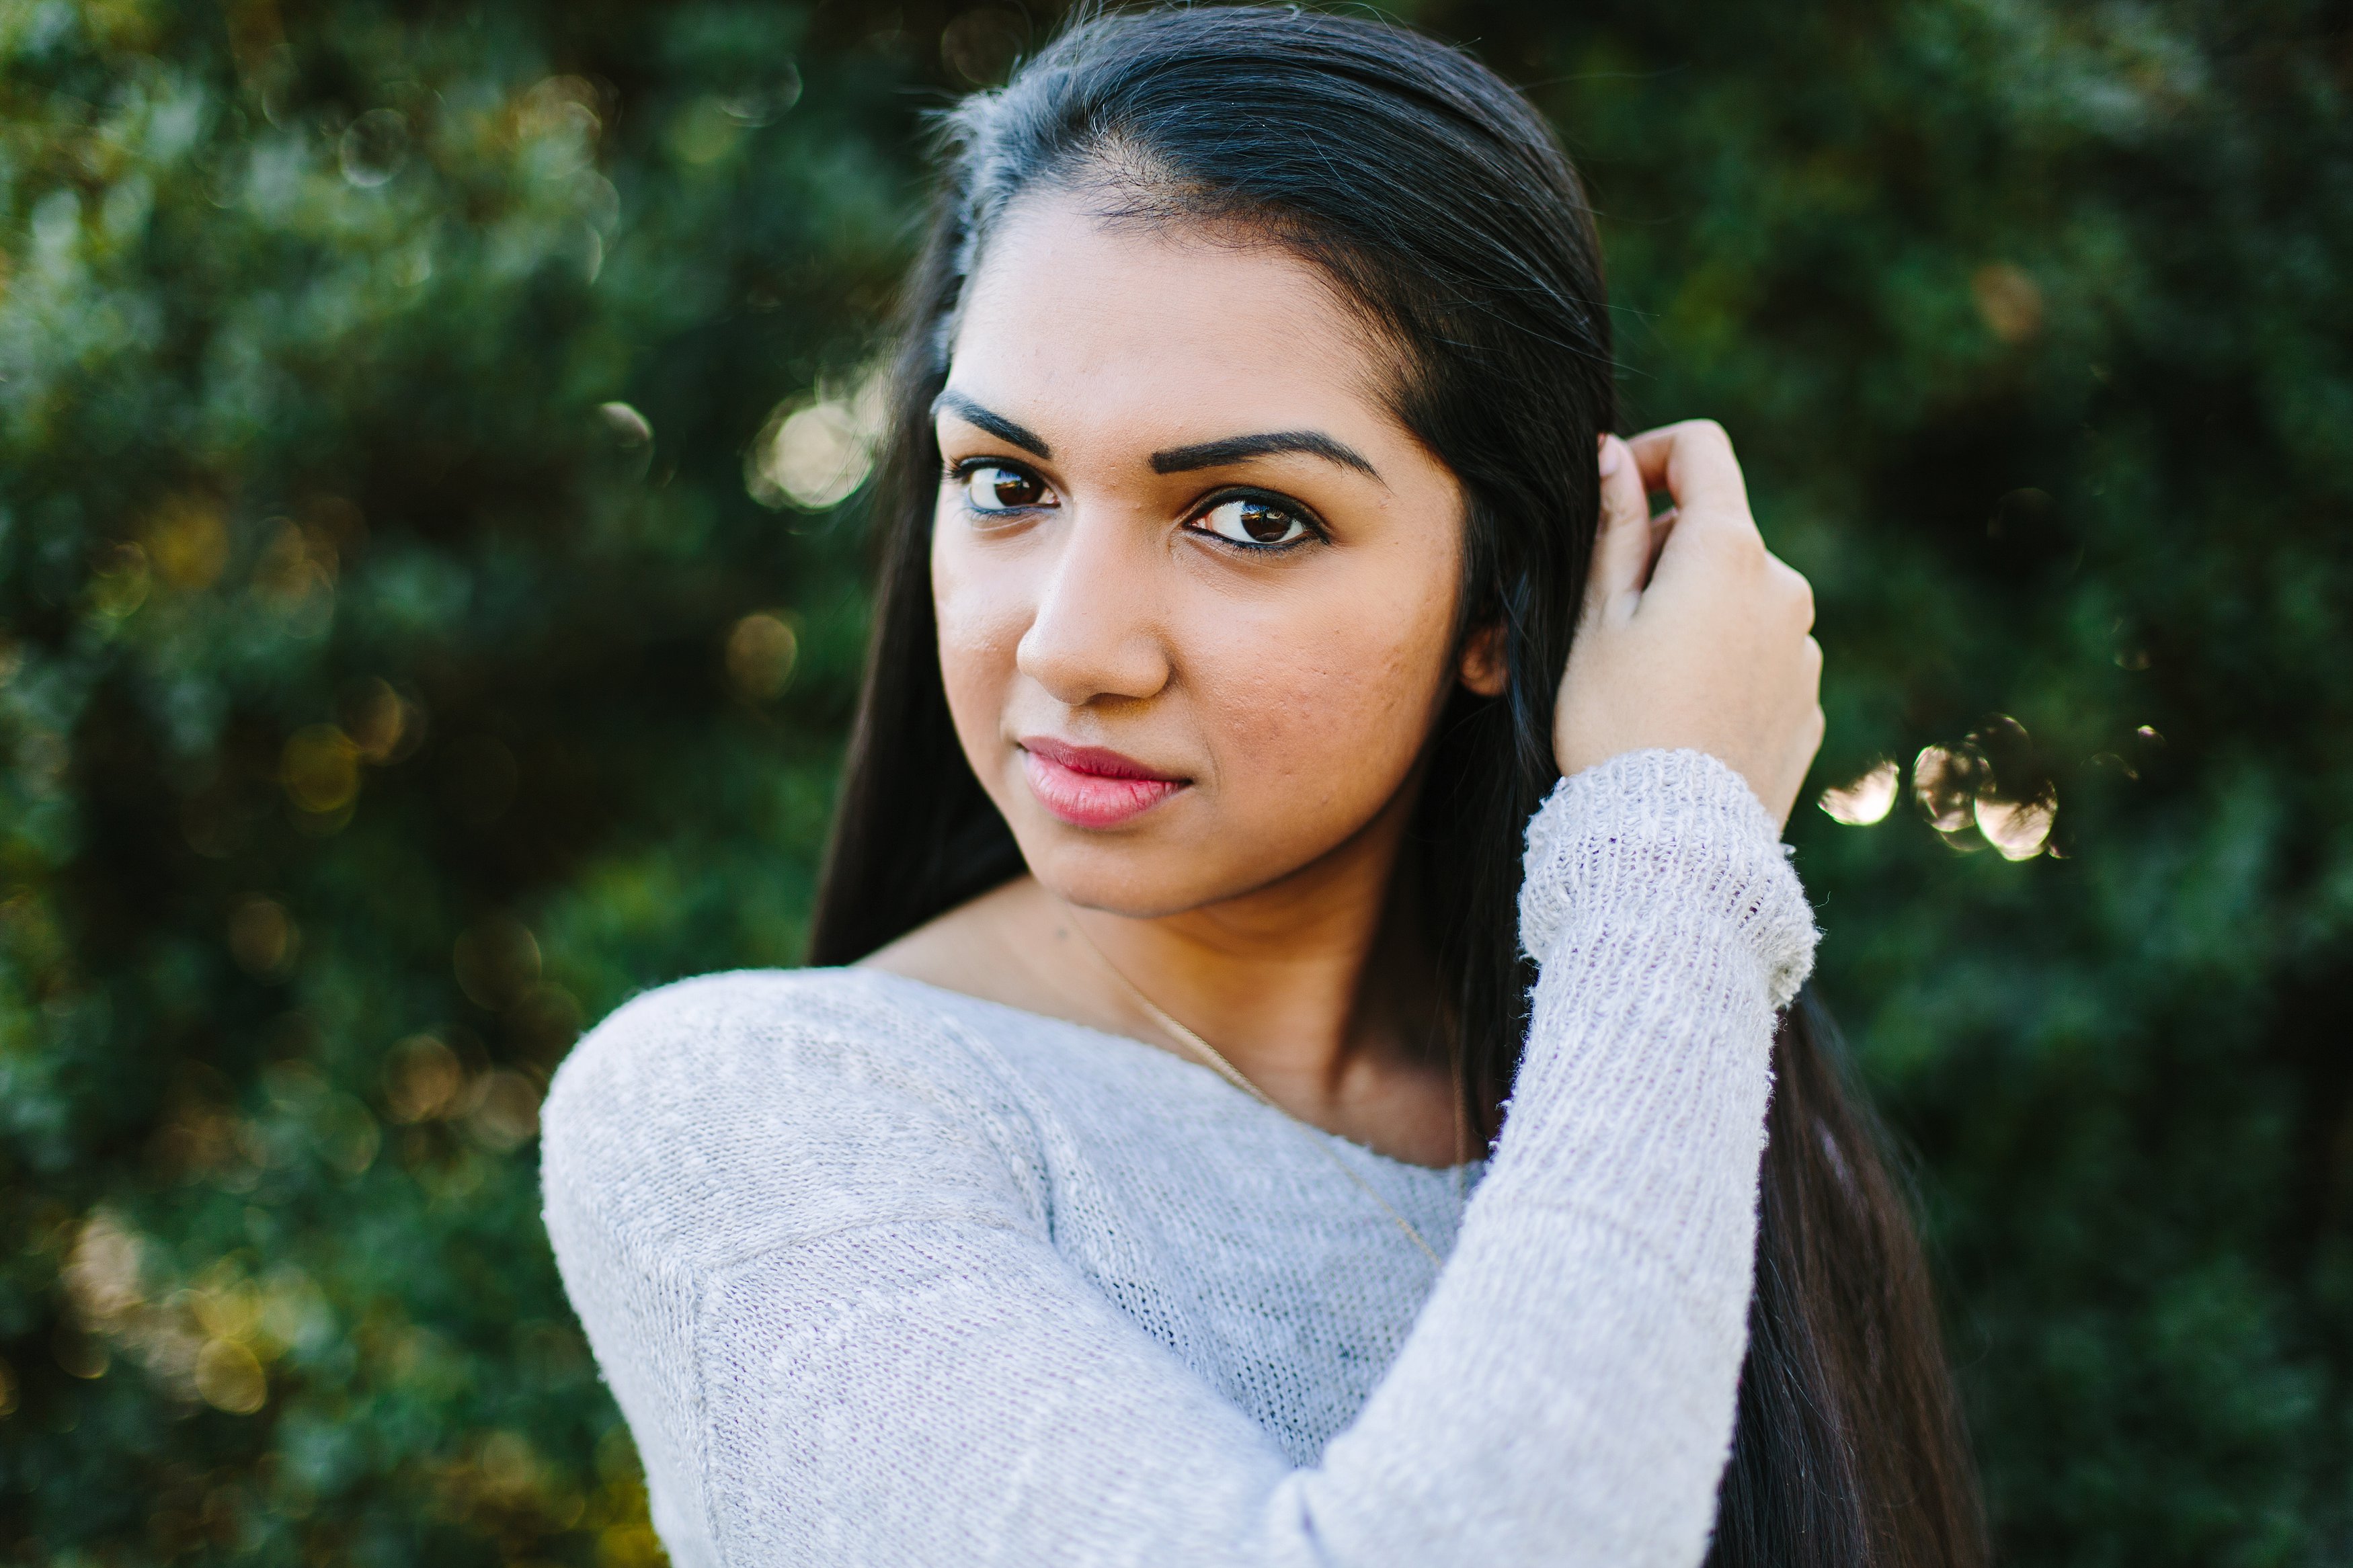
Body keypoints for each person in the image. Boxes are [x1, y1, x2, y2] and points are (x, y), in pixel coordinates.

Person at [542, 8, 1983, 1565]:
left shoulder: (1681, 1093)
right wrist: (1672, 844)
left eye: (1250, 517)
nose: (1074, 645)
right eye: (1005, 486)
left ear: (1499, 605)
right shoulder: (754, 1118)